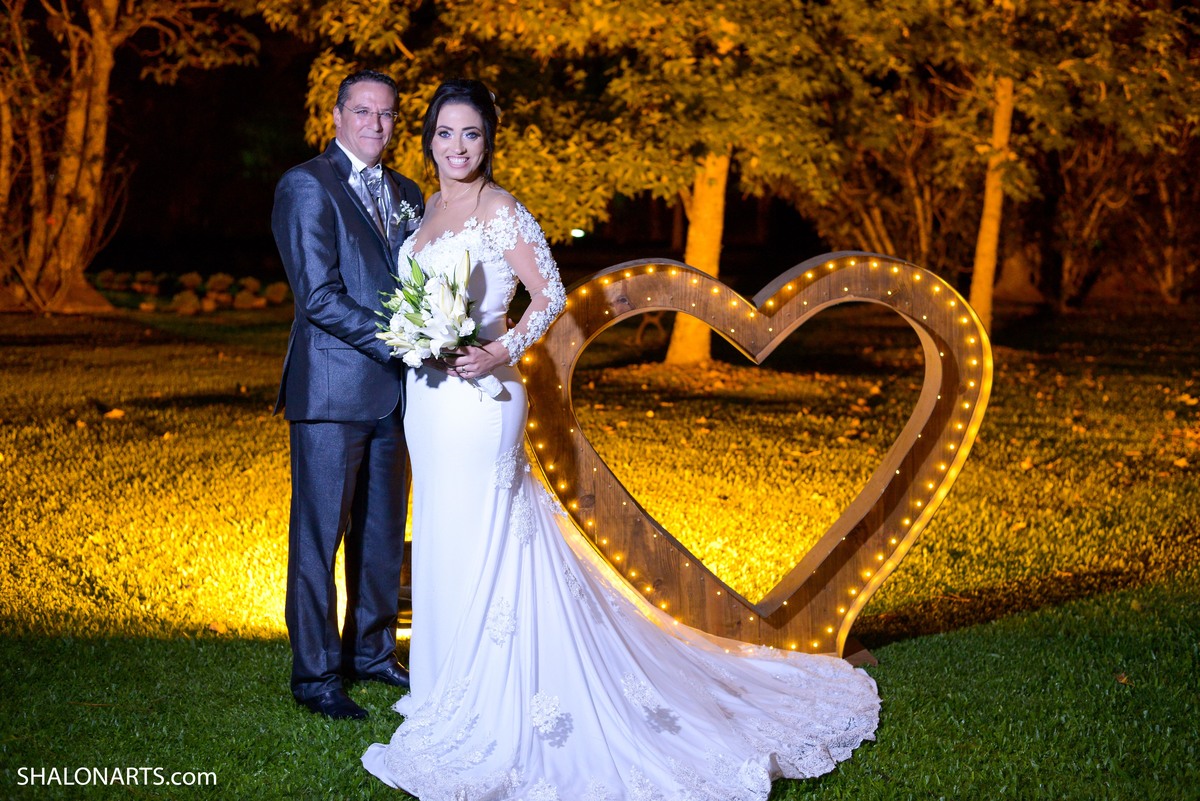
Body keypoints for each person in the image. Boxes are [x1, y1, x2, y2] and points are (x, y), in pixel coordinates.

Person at [362, 79, 880, 798]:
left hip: (484, 397)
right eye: (445, 133)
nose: (458, 147)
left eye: (471, 134)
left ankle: (493, 693)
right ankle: (446, 682)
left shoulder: (499, 209)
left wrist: (500, 349)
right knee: (444, 532)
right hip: (428, 401)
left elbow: (549, 294)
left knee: (488, 533)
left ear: (489, 141)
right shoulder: (424, 211)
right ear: (428, 141)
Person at [271, 69, 425, 721]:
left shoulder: (409, 192)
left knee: (382, 534)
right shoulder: (306, 185)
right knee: (319, 537)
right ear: (335, 116)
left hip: (397, 396)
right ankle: (316, 675)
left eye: (386, 114)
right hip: (333, 391)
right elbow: (318, 295)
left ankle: (371, 652)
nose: (375, 124)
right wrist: (403, 341)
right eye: (362, 111)